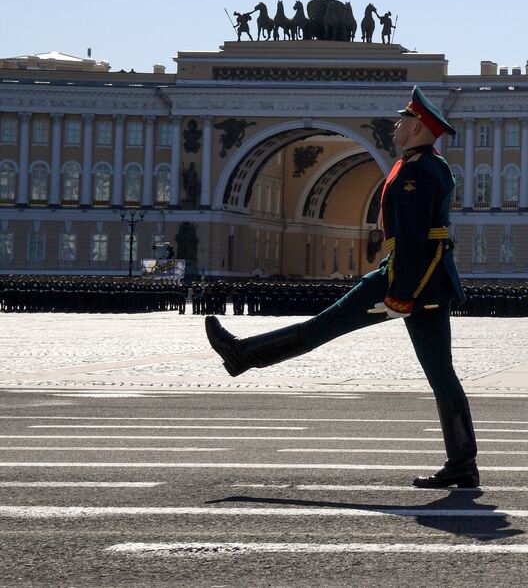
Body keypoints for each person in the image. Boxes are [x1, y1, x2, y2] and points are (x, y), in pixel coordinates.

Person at [204, 86, 477, 489]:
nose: (397, 125)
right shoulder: (421, 164)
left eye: (404, 120)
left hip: (411, 279)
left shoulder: (418, 170)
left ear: (418, 127)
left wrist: (401, 292)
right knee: (439, 373)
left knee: (325, 327)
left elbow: (417, 237)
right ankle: (463, 465)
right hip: (420, 279)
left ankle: (245, 354)